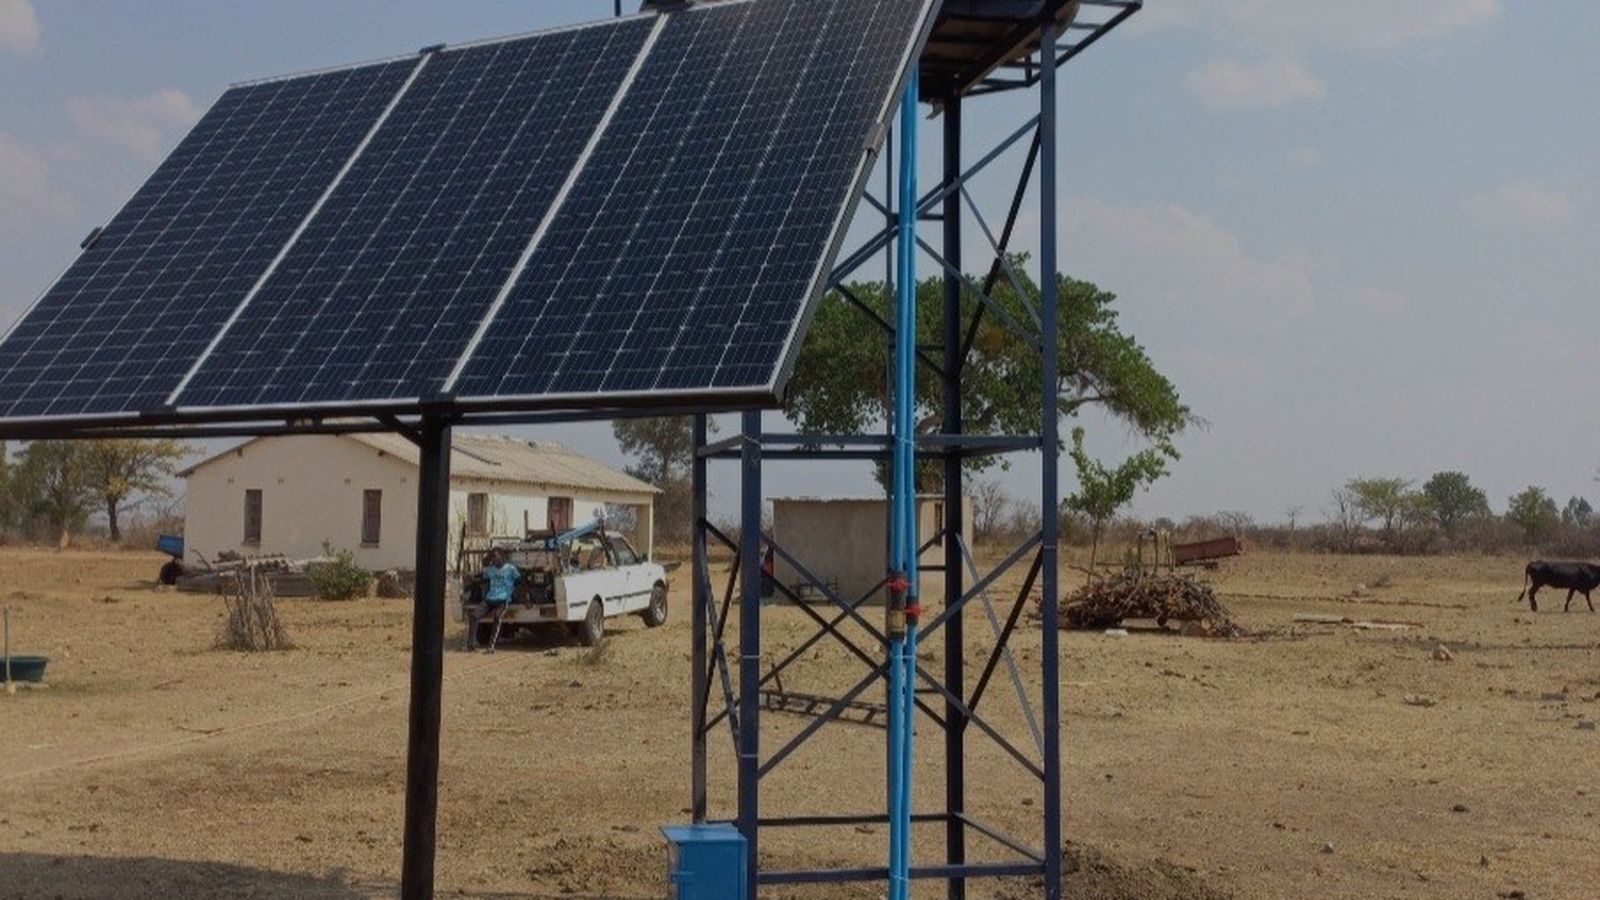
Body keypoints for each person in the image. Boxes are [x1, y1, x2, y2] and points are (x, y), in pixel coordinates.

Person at [466, 547, 520, 652]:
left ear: (501, 557)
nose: (493, 559)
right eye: (492, 558)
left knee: (497, 617)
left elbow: (520, 582)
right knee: (474, 616)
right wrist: (472, 580)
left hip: (503, 600)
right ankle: (471, 645)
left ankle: (491, 646)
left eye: (495, 557)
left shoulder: (511, 568)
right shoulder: (490, 569)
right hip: (490, 599)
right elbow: (482, 579)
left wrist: (524, 597)